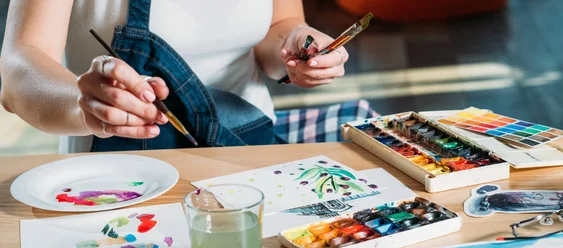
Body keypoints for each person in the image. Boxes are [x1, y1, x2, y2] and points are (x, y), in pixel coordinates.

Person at [0, 0, 359, 153]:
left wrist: (298, 47)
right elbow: (20, 66)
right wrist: (86, 107)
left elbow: (278, 25)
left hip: (248, 151)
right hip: (115, 173)